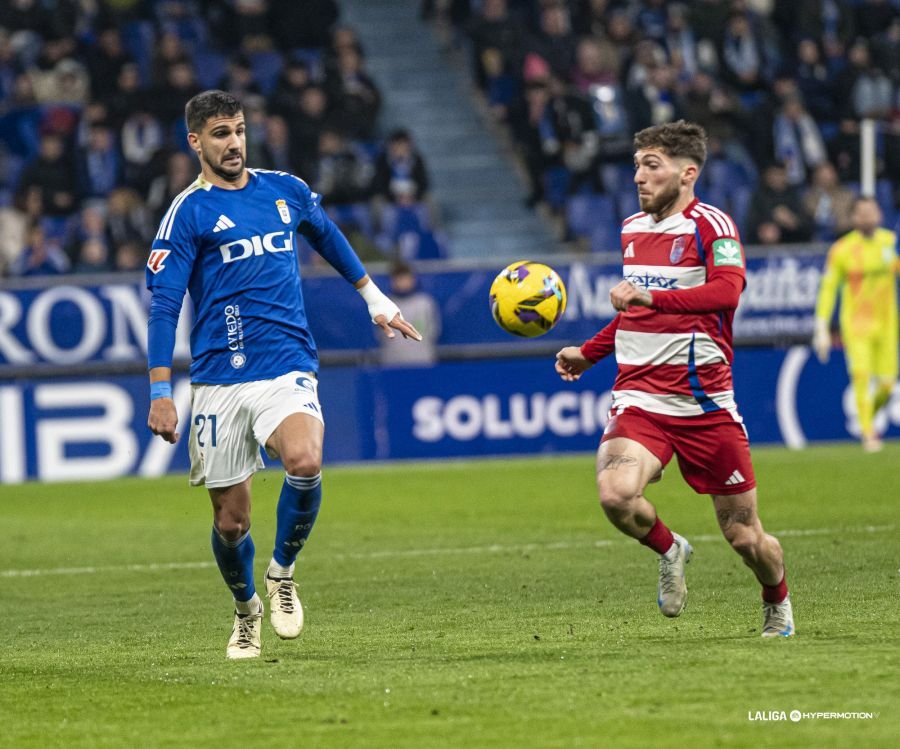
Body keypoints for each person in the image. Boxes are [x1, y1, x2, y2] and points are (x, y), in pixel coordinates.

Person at [145, 90, 422, 660]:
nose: (234, 143)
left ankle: (283, 573)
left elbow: (326, 233)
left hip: (287, 363)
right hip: (220, 379)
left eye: (240, 130)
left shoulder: (285, 190)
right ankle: (246, 611)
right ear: (195, 141)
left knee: (305, 460)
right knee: (230, 522)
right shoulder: (187, 212)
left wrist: (373, 298)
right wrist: (159, 391)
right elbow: (165, 306)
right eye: (220, 133)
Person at [555, 120, 794, 638]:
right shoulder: (632, 229)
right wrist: (590, 354)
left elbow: (727, 292)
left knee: (745, 537)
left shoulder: (714, 226)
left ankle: (776, 597)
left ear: (687, 173)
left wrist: (651, 297)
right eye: (637, 165)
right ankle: (669, 547)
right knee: (616, 494)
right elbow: (635, 314)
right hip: (640, 398)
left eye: (652, 166)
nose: (639, 177)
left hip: (704, 404)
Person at [812, 196, 899, 453]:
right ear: (853, 218)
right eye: (862, 213)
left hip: (887, 324)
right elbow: (828, 289)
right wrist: (822, 326)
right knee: (861, 377)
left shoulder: (890, 242)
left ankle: (867, 421)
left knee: (886, 384)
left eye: (872, 211)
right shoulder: (841, 250)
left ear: (880, 214)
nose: (868, 217)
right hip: (857, 324)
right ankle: (869, 433)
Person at [379, 261, 441, 366]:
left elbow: (434, 331)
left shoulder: (425, 303)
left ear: (413, 279)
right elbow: (381, 335)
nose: (402, 282)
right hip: (393, 363)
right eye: (398, 279)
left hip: (422, 361)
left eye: (405, 278)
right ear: (392, 281)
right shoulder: (384, 305)